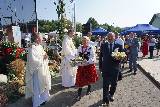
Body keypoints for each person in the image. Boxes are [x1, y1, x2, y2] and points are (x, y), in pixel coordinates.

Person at [25, 33, 51, 107]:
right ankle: (37, 102)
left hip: (42, 70)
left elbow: (43, 55)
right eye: (41, 37)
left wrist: (45, 56)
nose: (42, 39)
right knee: (37, 87)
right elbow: (33, 60)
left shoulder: (40, 46)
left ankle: (42, 99)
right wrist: (43, 58)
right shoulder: (32, 48)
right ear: (36, 39)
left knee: (43, 85)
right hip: (36, 71)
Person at [99, 32, 123, 106]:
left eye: (111, 37)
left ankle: (111, 94)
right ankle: (105, 99)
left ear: (114, 37)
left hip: (115, 68)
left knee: (114, 84)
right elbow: (100, 57)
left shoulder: (119, 46)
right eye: (108, 37)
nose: (109, 38)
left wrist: (119, 58)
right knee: (105, 84)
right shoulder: (103, 45)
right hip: (105, 68)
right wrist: (100, 67)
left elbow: (123, 56)